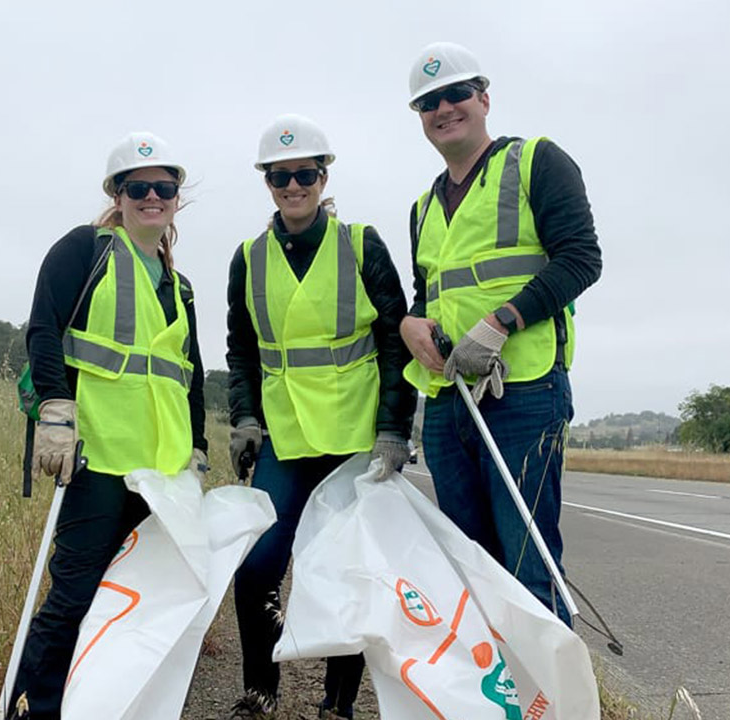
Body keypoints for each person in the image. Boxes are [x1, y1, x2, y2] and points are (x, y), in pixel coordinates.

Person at [397, 42, 602, 627]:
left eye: (456, 94)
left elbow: (582, 259)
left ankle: (549, 702)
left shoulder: (536, 162)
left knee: (527, 564)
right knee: (468, 563)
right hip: (448, 401)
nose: (444, 108)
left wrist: (501, 322)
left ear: (483, 99)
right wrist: (411, 323)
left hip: (525, 393)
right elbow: (428, 295)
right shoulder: (422, 207)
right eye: (428, 102)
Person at [8, 131, 208, 719]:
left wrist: (196, 449)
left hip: (162, 474)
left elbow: (187, 377)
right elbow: (44, 330)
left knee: (137, 603)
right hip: (96, 459)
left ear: (176, 197)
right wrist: (54, 410)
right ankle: (36, 707)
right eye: (138, 187)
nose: (152, 196)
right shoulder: (85, 250)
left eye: (163, 187)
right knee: (72, 597)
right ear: (117, 195)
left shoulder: (180, 285)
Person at [224, 114, 415, 720]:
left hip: (356, 438)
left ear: (323, 175)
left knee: (349, 574)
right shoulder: (248, 258)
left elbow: (394, 340)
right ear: (267, 181)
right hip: (285, 436)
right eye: (280, 176)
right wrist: (244, 418)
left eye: (305, 173)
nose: (293, 185)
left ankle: (338, 705)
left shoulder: (361, 245)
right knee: (256, 567)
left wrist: (393, 428)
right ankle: (261, 691)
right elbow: (241, 349)